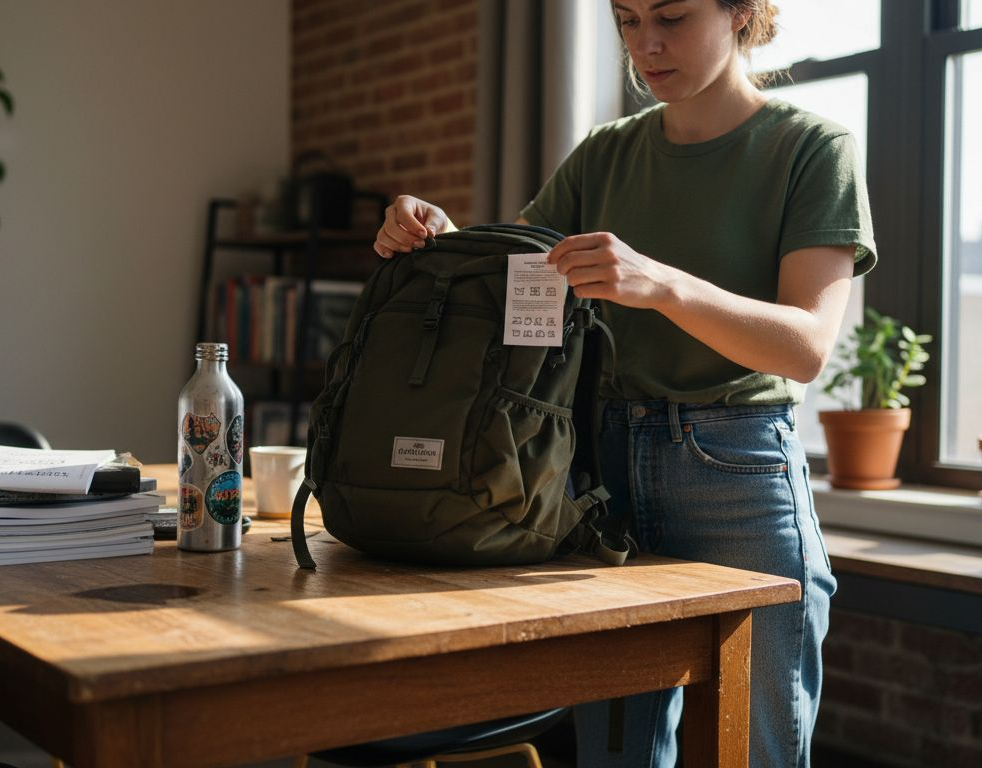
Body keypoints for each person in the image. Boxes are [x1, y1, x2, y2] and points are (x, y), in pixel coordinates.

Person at [375, 0, 875, 765]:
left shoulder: (812, 149)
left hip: (735, 472)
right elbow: (514, 284)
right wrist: (437, 237)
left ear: (742, 11)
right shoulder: (604, 154)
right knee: (617, 755)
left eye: (670, 17)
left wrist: (661, 285)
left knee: (762, 750)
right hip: (595, 471)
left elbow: (806, 347)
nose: (645, 44)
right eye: (627, 18)